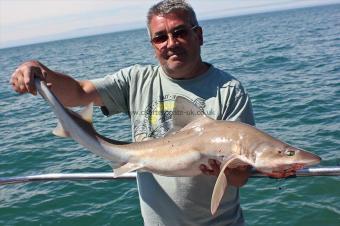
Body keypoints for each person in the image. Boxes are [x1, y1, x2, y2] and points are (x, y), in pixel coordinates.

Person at [10, 0, 255, 225]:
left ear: (198, 35)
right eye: (160, 37)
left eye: (179, 32)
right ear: (153, 46)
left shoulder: (229, 91)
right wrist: (40, 72)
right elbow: (78, 92)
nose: (171, 43)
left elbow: (240, 179)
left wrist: (228, 170)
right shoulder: (136, 80)